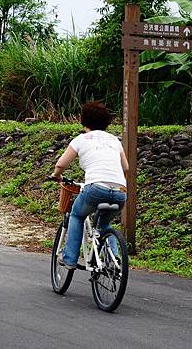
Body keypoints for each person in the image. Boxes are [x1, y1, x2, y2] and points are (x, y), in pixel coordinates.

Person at [49, 101, 129, 269]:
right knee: (105, 225)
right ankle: (114, 260)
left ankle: (70, 259)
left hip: (96, 189)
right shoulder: (114, 140)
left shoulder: (81, 140)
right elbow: (126, 167)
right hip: (121, 191)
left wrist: (56, 176)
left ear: (83, 120)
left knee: (76, 215)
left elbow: (60, 165)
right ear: (106, 122)